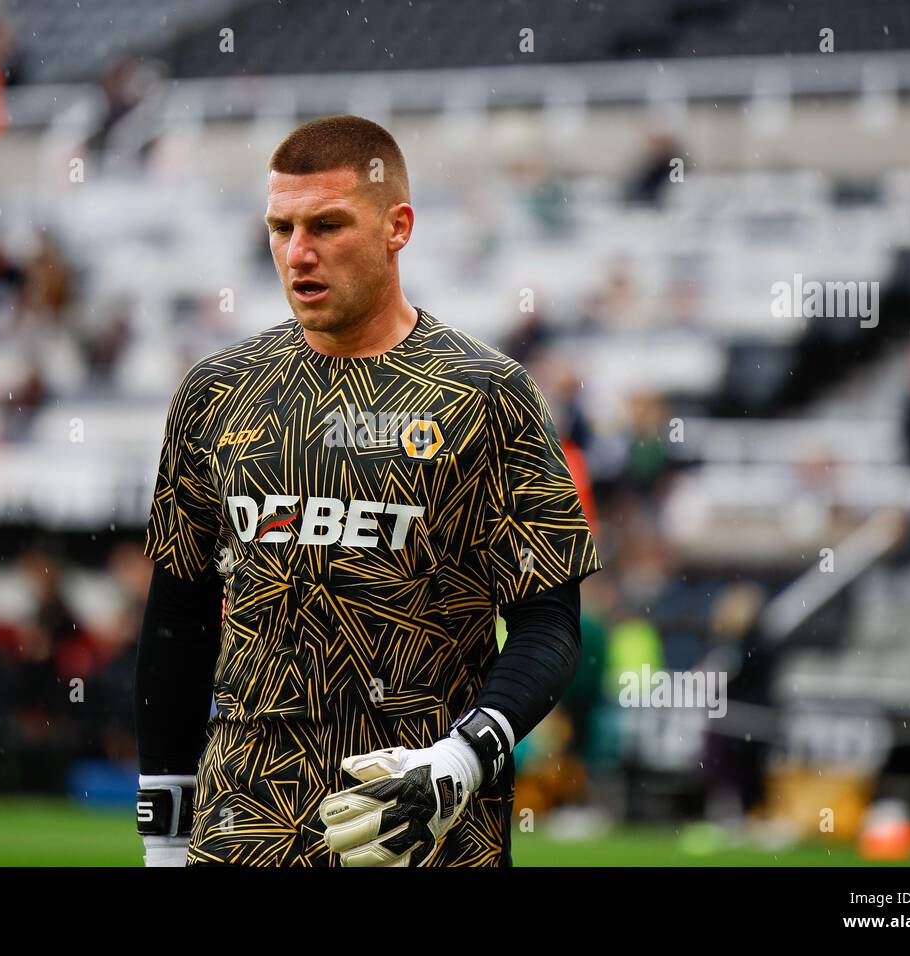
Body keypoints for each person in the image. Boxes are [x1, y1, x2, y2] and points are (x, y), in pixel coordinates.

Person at [135, 115, 601, 867]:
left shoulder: (484, 395)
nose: (298, 253)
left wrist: (462, 756)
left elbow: (549, 625)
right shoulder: (216, 393)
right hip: (242, 832)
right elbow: (177, 619)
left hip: (426, 838)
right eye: (280, 228)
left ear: (397, 227)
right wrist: (162, 835)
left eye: (327, 225)